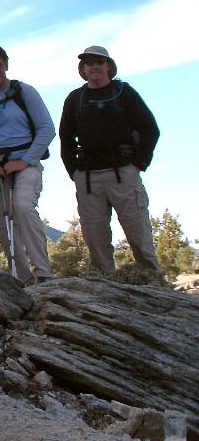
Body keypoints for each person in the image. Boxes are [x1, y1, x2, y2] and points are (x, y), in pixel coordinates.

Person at [59, 45, 161, 274]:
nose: (94, 67)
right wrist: (74, 172)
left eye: (99, 62)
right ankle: (105, 287)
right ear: (83, 69)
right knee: (96, 242)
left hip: (124, 173)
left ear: (108, 66)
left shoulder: (124, 93)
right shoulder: (75, 98)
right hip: (88, 178)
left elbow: (150, 129)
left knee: (140, 237)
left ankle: (156, 284)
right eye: (89, 63)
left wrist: (139, 164)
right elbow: (65, 137)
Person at [0, 44, 55, 283]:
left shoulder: (24, 92)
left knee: (23, 207)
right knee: (2, 223)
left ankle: (43, 274)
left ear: (6, 65)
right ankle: (22, 279)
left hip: (26, 164)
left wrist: (25, 161)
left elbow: (47, 129)